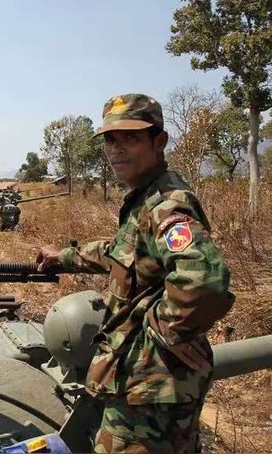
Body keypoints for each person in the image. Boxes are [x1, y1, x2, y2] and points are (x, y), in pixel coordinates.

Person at [36, 94, 234, 453]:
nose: (117, 149)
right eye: (110, 140)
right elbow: (121, 253)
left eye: (131, 138)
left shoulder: (167, 204)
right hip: (145, 388)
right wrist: (62, 257)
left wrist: (155, 336)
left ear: (159, 142)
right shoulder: (146, 198)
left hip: (152, 390)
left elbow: (204, 284)